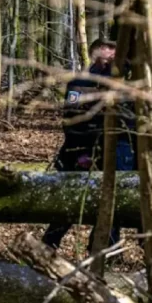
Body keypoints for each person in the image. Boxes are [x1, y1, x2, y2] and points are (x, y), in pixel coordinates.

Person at [42, 38, 138, 251]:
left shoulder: (128, 79)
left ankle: (105, 248)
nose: (113, 54)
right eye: (109, 49)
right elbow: (72, 117)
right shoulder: (81, 81)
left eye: (115, 49)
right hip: (85, 147)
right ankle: (50, 242)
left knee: (117, 197)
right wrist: (81, 150)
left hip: (121, 146)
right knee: (75, 198)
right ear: (98, 52)